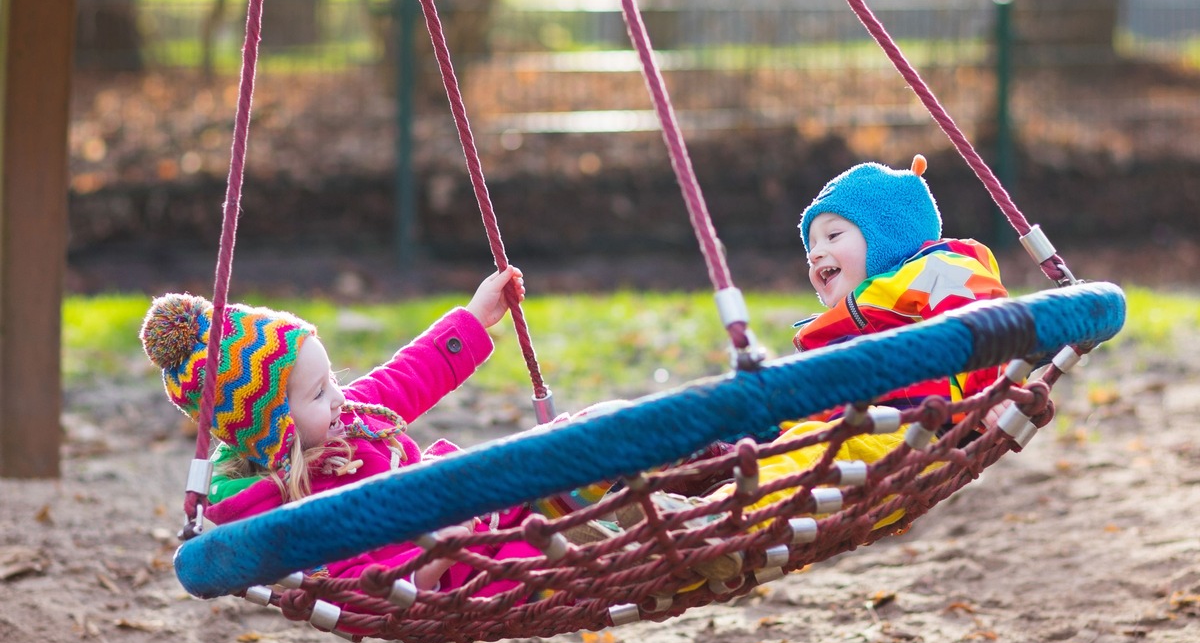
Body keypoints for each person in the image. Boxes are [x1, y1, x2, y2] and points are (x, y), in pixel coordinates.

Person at [624, 155, 1010, 581]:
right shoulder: (857, 312)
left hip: (910, 438)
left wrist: (995, 388)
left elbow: (987, 321)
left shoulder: (936, 268)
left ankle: (718, 525)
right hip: (840, 431)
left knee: (808, 451)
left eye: (834, 234)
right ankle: (637, 513)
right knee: (721, 435)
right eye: (811, 247)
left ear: (888, 233)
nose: (816, 254)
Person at [140, 266, 542, 598]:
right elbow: (353, 584)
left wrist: (474, 318)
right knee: (553, 552)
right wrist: (434, 558)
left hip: (489, 500)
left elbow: (406, 375)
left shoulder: (340, 420)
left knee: (579, 433)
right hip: (476, 571)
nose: (338, 397)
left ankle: (592, 504)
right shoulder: (288, 510)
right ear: (274, 429)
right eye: (318, 392)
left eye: (331, 378)